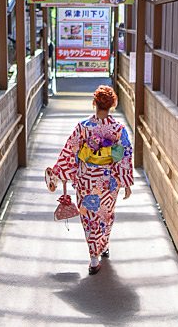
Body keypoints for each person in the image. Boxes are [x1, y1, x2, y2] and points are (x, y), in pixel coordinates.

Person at [46, 85, 133, 274]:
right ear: (113, 105)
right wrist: (125, 182)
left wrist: (58, 173)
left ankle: (94, 258)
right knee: (106, 215)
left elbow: (70, 151)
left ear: (94, 103)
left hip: (86, 181)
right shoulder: (118, 129)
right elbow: (125, 155)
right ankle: (104, 245)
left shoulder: (83, 127)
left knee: (89, 218)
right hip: (108, 182)